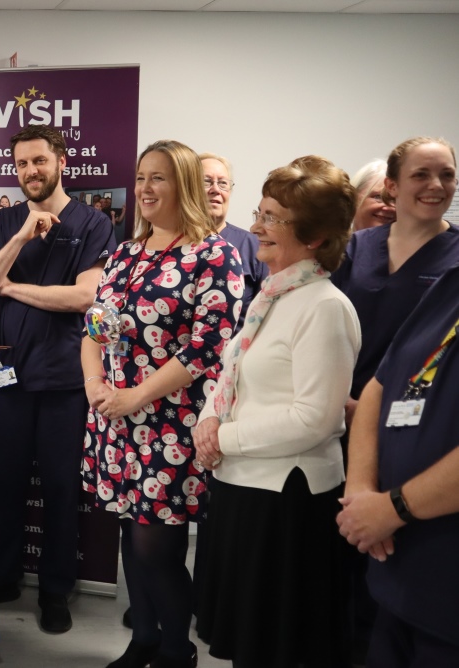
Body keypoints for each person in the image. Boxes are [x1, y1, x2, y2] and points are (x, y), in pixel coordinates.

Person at [193, 156, 360, 667]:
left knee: (275, 648)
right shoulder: (273, 297)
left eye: (273, 218)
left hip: (286, 505)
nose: (257, 226)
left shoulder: (324, 306)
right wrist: (208, 419)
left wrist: (224, 439)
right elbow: (232, 373)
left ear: (312, 237)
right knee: (248, 644)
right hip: (246, 489)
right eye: (260, 212)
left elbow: (316, 419)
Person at [81, 139, 242, 668]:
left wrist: (134, 396)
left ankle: (177, 650)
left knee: (160, 549)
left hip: (169, 426)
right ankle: (144, 639)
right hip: (115, 418)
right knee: (130, 532)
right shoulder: (127, 252)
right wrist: (95, 385)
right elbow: (96, 328)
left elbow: (208, 348)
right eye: (141, 177)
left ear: (185, 186)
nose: (145, 189)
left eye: (159, 178)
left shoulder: (214, 255)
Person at [0, 124, 113, 633]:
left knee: (58, 489)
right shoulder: (4, 220)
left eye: (40, 161)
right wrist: (22, 238)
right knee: (3, 483)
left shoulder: (92, 223)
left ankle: (55, 590)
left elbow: (85, 297)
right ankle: (1, 577)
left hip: (65, 382)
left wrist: (11, 287)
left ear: (61, 162)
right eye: (23, 163)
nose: (31, 171)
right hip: (8, 377)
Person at [331, 136, 459, 664]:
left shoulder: (453, 263)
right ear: (391, 184)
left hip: (421, 444)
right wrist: (340, 403)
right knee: (345, 551)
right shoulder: (355, 249)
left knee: (396, 561)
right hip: (341, 423)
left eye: (447, 176)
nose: (436, 187)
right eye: (421, 175)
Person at [201, 153, 268, 314]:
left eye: (223, 183)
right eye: (206, 182)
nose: (215, 189)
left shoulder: (253, 245)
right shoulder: (172, 243)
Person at [349, 160, 396, 232]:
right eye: (378, 197)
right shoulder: (331, 241)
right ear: (354, 197)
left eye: (395, 200)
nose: (389, 208)